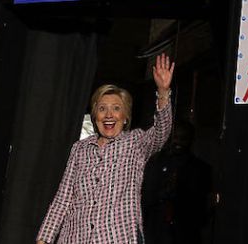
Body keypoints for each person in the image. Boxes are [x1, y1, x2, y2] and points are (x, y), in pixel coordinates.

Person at [36, 53, 175, 244]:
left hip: (117, 238)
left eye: (116, 108)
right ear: (95, 116)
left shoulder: (135, 143)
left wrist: (163, 91)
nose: (109, 114)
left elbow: (161, 132)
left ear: (125, 117)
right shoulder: (80, 149)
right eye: (102, 109)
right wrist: (44, 239)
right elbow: (63, 199)